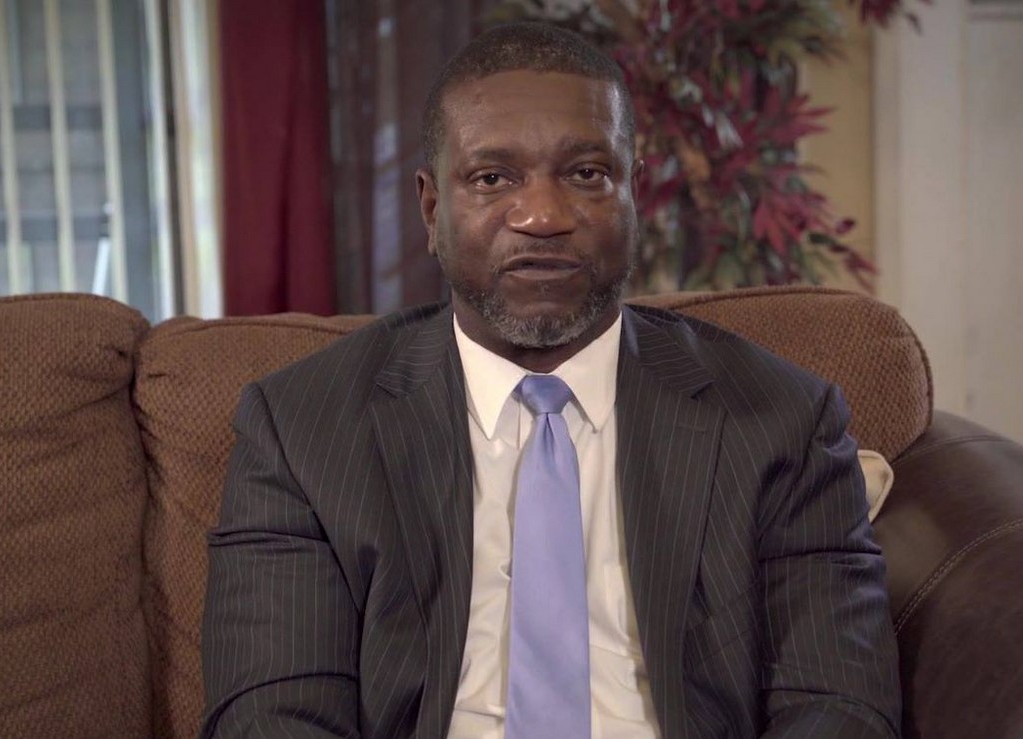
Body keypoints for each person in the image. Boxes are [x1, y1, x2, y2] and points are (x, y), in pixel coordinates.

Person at [200, 22, 901, 739]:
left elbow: (839, 703)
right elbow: (271, 714)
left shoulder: (783, 418)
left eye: (586, 174)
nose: (542, 216)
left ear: (634, 193)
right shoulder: (301, 428)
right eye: (492, 178)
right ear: (432, 208)